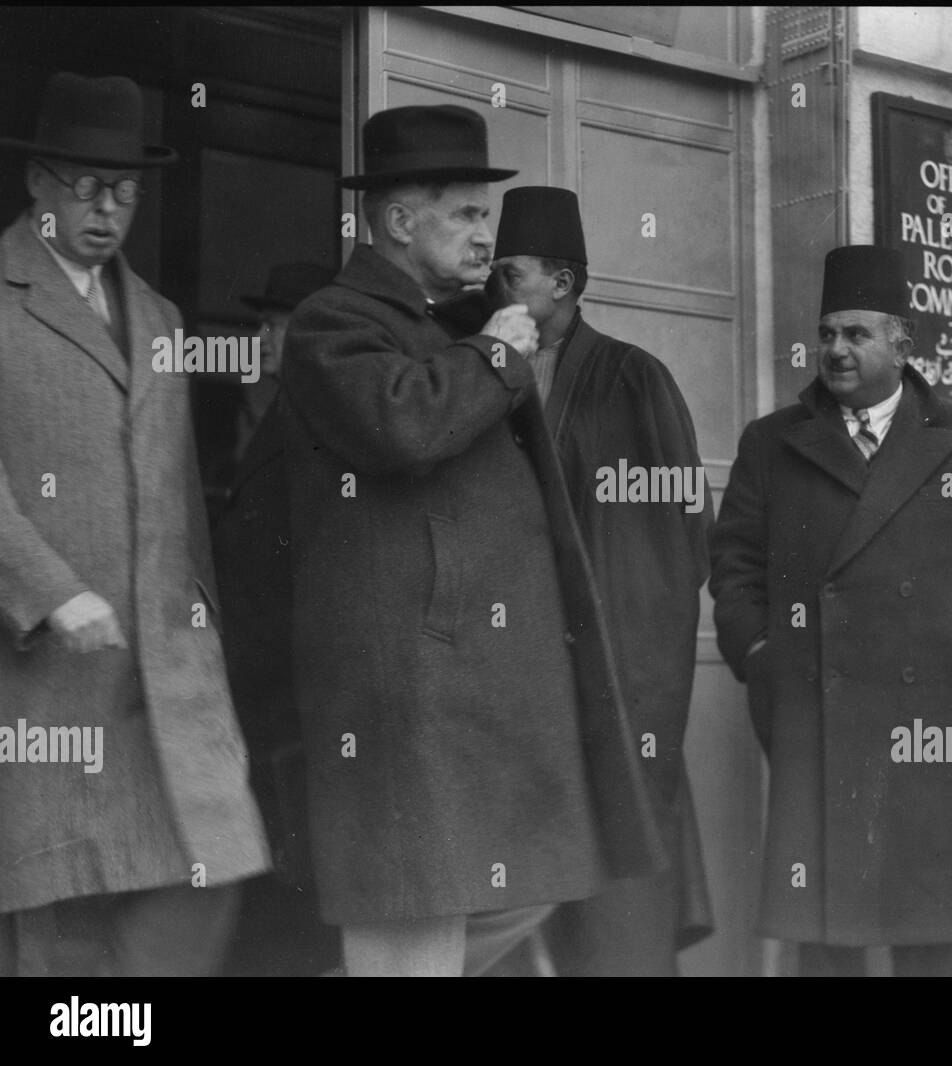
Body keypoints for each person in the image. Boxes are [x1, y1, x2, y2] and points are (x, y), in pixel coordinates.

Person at [279, 105, 665, 977]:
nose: (484, 234)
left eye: (485, 215)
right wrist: (496, 356)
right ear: (400, 221)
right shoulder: (334, 322)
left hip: (479, 690)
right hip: (407, 687)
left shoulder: (448, 324)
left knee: (534, 877)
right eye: (464, 213)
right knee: (415, 911)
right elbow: (399, 428)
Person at [0, 72, 269, 976]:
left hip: (167, 670)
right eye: (85, 185)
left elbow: (182, 492)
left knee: (210, 866)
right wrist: (50, 592)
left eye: (126, 190)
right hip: (42, 673)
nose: (108, 208)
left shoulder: (158, 315)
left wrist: (203, 614)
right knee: (61, 907)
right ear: (37, 181)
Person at [709, 245, 952, 977]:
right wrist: (759, 653)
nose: (836, 350)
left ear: (901, 344)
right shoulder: (772, 441)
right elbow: (732, 563)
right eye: (828, 333)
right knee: (827, 926)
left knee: (930, 921)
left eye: (856, 334)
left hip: (936, 716)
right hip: (816, 707)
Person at [486, 186, 713, 975]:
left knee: (619, 898)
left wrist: (639, 660)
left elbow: (677, 539)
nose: (496, 290)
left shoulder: (630, 379)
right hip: (513, 675)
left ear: (564, 282)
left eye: (511, 275)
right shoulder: (481, 371)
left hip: (612, 672)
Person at [213, 262, 339, 976]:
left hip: (296, 700)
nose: (260, 336)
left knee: (295, 902)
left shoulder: (319, 416)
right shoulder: (268, 409)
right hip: (258, 697)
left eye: (275, 323)